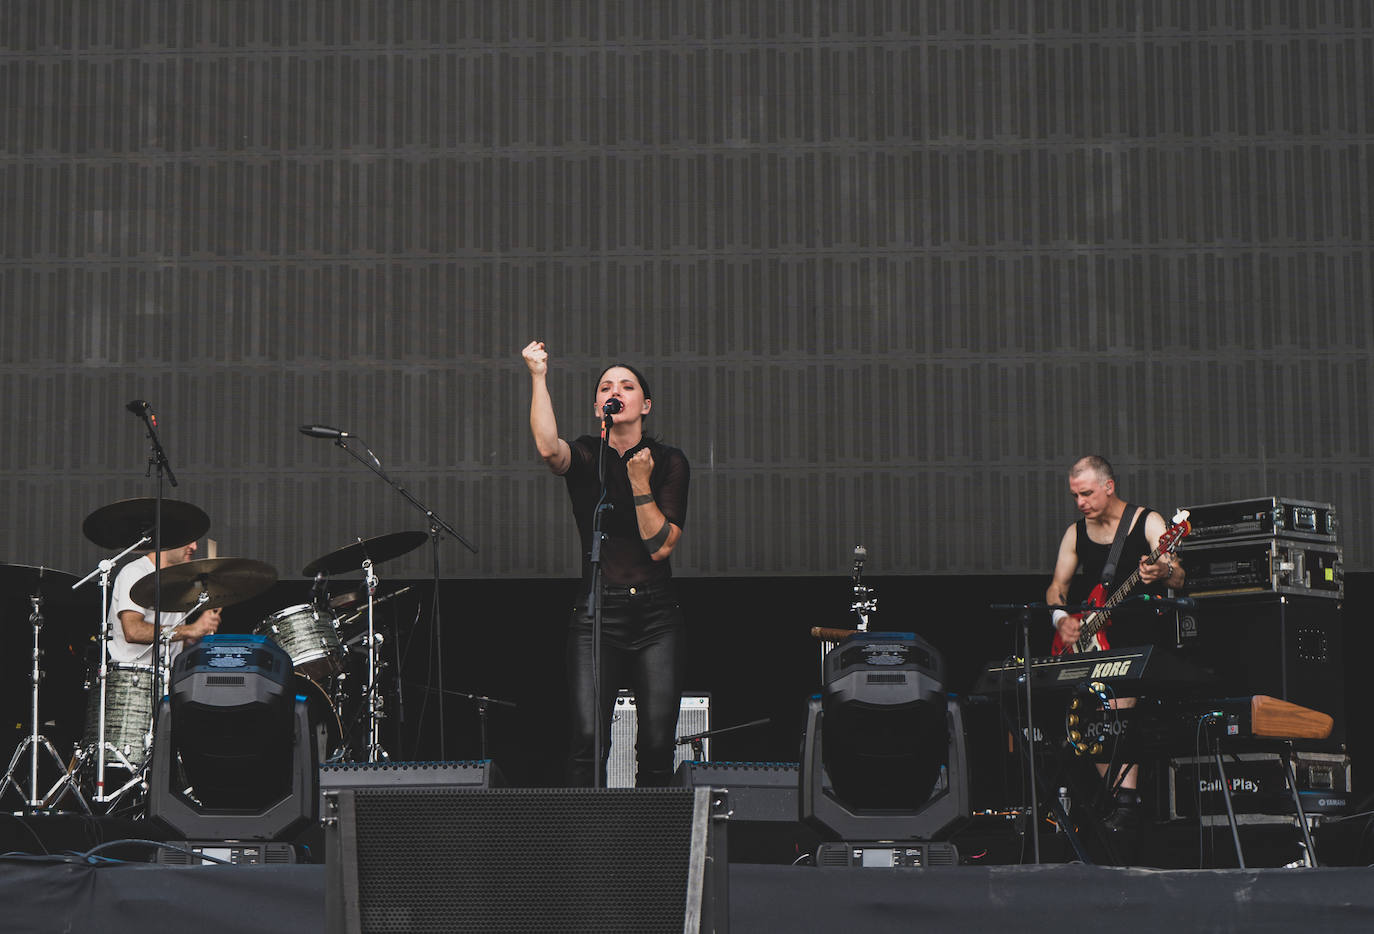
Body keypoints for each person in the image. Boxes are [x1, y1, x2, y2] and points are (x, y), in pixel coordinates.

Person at [522, 341, 690, 787]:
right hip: (597, 613)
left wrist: (639, 483)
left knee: (656, 743)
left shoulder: (669, 461)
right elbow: (547, 450)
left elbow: (661, 547)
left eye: (627, 385)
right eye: (606, 387)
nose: (616, 391)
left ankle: (653, 850)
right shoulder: (586, 455)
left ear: (645, 404)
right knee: (588, 740)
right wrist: (539, 376)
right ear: (599, 405)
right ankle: (586, 847)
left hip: (656, 616)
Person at [1045, 455, 1186, 830]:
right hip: (1095, 644)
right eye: (1075, 495)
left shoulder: (1148, 522)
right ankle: (1112, 797)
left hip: (1140, 642)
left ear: (1109, 486)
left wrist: (1163, 569)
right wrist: (1062, 620)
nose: (1080, 503)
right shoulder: (1076, 533)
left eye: (1087, 493)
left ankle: (1126, 801)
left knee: (1114, 703)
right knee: (1085, 711)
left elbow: (1178, 577)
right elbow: (1056, 589)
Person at [107, 540, 222, 667]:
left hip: (167, 674)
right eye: (188, 541)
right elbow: (133, 631)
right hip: (131, 676)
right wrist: (190, 630)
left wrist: (190, 639)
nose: (194, 547)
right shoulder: (135, 572)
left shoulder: (176, 580)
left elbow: (169, 637)